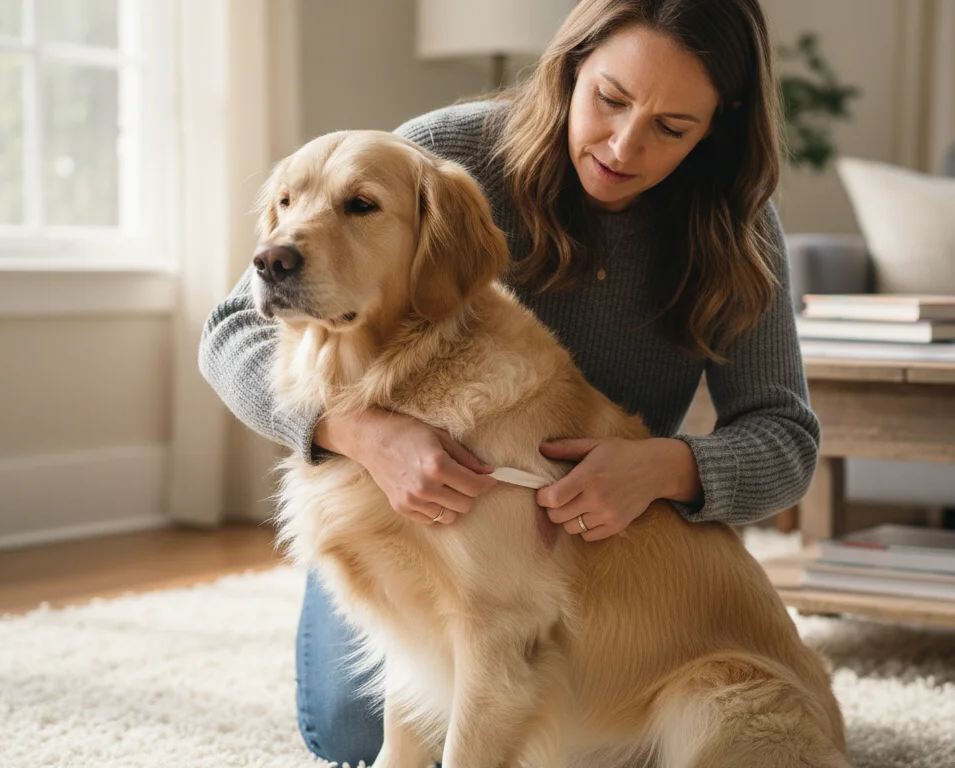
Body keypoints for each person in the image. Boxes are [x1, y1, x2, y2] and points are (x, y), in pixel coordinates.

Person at [197, 0, 819, 762]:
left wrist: (662, 466)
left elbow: (784, 440)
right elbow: (229, 333)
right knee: (351, 728)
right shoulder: (438, 156)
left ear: (716, 127)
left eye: (672, 128)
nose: (624, 145)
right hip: (404, 483)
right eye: (610, 100)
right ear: (569, 71)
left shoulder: (734, 224)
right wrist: (361, 432)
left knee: (487, 685)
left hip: (605, 547)